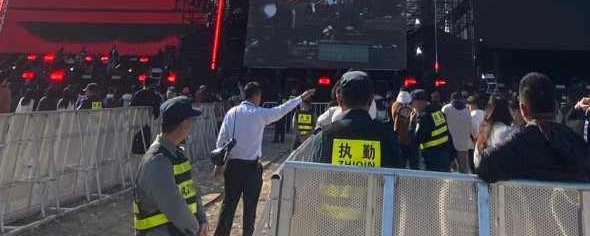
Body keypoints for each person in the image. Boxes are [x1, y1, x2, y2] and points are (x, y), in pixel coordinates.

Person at [213, 82, 315, 236]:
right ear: (256, 95)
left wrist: (219, 163)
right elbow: (281, 110)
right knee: (250, 210)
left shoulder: (232, 112)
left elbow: (222, 140)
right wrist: (301, 97)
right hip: (251, 168)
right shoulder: (259, 114)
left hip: (233, 166)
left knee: (228, 206)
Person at [475, 72, 590, 184]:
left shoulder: (520, 143)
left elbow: (483, 164)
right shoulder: (576, 142)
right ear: (556, 106)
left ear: (523, 110)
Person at [133, 96, 208, 236]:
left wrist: (202, 220)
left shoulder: (175, 154)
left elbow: (191, 191)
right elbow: (174, 205)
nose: (192, 126)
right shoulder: (157, 161)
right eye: (192, 120)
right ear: (184, 124)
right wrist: (196, 228)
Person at [310, 71, 401, 167]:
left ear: (339, 100)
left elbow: (312, 173)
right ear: (371, 100)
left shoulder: (324, 137)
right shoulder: (389, 138)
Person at [410, 89, 455, 172]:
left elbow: (417, 139)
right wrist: (452, 157)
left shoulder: (424, 117)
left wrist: (412, 125)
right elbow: (447, 135)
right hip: (445, 157)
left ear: (417, 101)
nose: (412, 106)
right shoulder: (439, 113)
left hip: (431, 160)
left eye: (412, 102)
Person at [473, 94, 516, 170]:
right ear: (508, 112)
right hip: (504, 174)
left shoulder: (483, 132)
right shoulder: (511, 132)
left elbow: (476, 159)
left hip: (483, 172)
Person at [442, 92, 474, 174]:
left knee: (449, 169)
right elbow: (470, 126)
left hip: (449, 144)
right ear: (461, 99)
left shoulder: (446, 108)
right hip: (463, 144)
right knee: (463, 169)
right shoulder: (467, 111)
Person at [391, 90, 419, 169]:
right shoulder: (413, 105)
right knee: (414, 166)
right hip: (411, 138)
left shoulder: (395, 105)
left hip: (399, 138)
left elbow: (393, 118)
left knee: (400, 165)